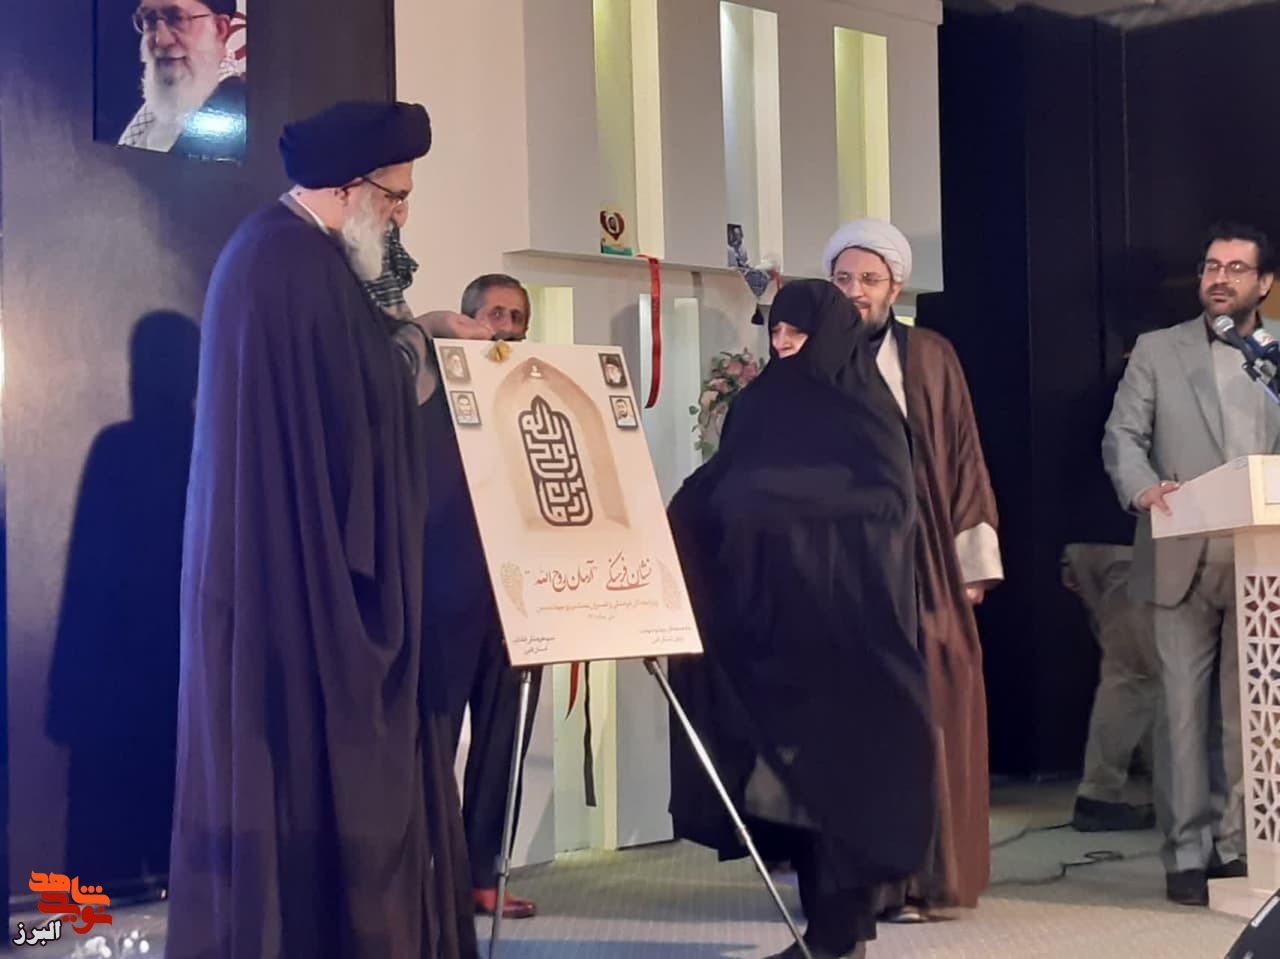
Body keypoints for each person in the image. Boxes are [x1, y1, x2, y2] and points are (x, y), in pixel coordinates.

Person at [166, 101, 476, 958]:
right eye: (396, 197)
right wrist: (422, 340)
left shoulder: (272, 252)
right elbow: (365, 407)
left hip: (277, 562)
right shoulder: (295, 267)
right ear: (348, 188)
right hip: (297, 581)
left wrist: (414, 330)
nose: (403, 216)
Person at [668, 279, 935, 959]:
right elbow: (723, 484)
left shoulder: (868, 410)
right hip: (773, 627)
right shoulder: (760, 404)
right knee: (798, 789)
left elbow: (887, 506)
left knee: (847, 781)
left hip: (852, 631)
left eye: (798, 333)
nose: (785, 345)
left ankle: (839, 933)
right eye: (777, 334)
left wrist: (772, 502)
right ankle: (831, 932)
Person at [819, 219, 1003, 921]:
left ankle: (927, 878)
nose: (856, 291)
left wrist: (971, 562)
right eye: (843, 278)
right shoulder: (811, 356)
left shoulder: (928, 355)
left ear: (895, 287)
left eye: (869, 279)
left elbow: (963, 453)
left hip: (922, 561)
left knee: (931, 710)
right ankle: (859, 883)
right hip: (843, 567)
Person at [1103, 221, 1280, 906]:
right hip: (1181, 548)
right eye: (1211, 266)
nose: (1220, 278)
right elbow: (1122, 436)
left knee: (1253, 714)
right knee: (1179, 713)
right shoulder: (1159, 348)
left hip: (1262, 557)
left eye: (1236, 268)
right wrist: (1143, 488)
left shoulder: (1274, 356)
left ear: (1264, 283)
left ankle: (1241, 845)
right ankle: (1186, 853)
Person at [420, 274, 543, 920]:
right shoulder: (426, 395)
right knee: (431, 742)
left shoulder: (538, 401)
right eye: (495, 314)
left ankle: (483, 875)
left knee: (504, 741)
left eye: (518, 318)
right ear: (468, 321)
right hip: (444, 593)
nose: (507, 328)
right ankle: (423, 878)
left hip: (520, 597)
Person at [1061, 543, 1158, 832]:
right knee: (1135, 674)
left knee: (1136, 671)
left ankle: (1164, 790)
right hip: (1129, 549)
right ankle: (1098, 794)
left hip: (1090, 544)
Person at [120, 0, 246, 159]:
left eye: (177, 19)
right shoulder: (148, 110)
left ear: (220, 29)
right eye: (150, 21)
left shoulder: (245, 117)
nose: (161, 40)